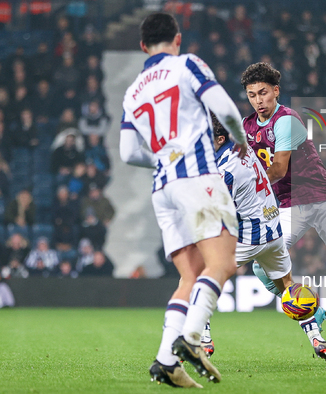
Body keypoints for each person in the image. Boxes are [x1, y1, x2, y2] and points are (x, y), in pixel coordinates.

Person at [119, 12, 247, 388]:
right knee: (222, 263)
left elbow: (128, 152)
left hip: (163, 188)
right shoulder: (187, 64)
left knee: (190, 276)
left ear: (143, 46)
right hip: (197, 178)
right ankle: (190, 339)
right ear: (177, 39)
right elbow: (224, 108)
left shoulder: (133, 91)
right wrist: (239, 138)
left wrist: (163, 158)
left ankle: (164, 362)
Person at [240, 62, 326, 366]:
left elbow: (277, 169)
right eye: (252, 95)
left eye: (263, 93)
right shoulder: (247, 126)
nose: (258, 100)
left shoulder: (287, 120)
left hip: (321, 198)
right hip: (288, 204)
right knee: (262, 267)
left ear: (276, 91)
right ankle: (310, 310)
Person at [210, 114, 326, 361]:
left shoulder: (224, 170)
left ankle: (202, 339)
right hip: (274, 233)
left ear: (220, 138)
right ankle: (317, 339)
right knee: (290, 290)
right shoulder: (244, 148)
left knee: (197, 277)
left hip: (250, 237)